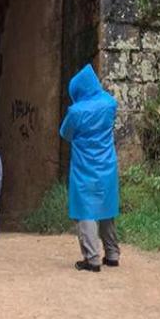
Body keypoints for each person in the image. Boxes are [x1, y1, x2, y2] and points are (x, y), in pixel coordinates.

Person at [59, 64, 120, 272]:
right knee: (106, 208)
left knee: (85, 209)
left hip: (84, 167)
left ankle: (92, 258)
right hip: (107, 164)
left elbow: (65, 133)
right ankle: (112, 254)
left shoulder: (76, 112)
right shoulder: (110, 104)